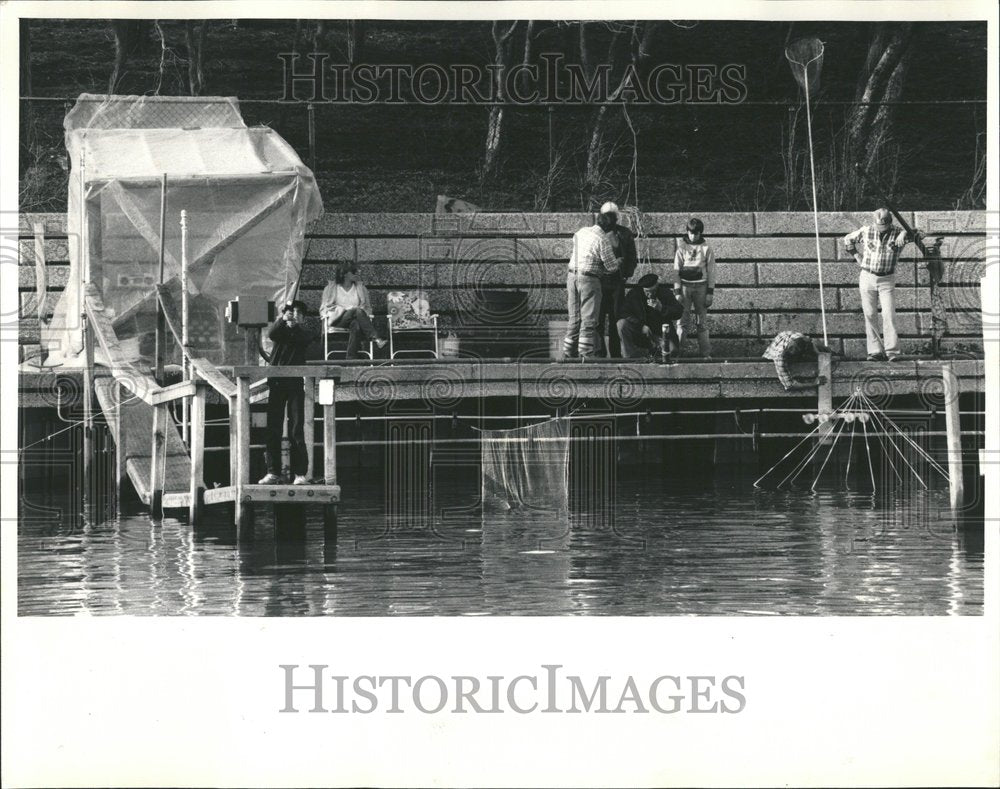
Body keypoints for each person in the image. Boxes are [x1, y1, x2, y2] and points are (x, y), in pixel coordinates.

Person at [843, 207, 912, 361]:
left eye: (884, 225)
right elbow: (847, 239)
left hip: (887, 279)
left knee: (888, 314)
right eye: (878, 224)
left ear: (890, 223)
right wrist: (856, 255)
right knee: (869, 314)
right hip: (867, 276)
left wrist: (905, 232)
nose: (881, 228)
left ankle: (892, 351)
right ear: (874, 222)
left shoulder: (897, 232)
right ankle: (874, 350)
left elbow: (921, 234)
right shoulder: (866, 231)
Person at [259, 300, 315, 485]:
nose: (295, 315)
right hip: (276, 383)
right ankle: (272, 471)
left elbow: (302, 338)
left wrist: (293, 324)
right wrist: (283, 320)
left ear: (304, 317)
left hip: (295, 385)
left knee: (296, 429)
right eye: (293, 312)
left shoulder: (305, 332)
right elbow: (272, 333)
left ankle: (300, 474)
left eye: (299, 313)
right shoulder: (281, 331)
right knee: (273, 428)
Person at [563, 209, 622, 359]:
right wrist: (618, 262)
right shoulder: (602, 240)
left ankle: (568, 354)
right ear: (610, 227)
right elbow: (612, 267)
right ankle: (586, 355)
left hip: (571, 276)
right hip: (589, 280)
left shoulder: (581, 232)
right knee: (589, 320)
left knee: (574, 319)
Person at [595, 201, 639, 358]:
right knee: (598, 319)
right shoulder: (596, 232)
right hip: (599, 282)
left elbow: (632, 257)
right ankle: (599, 352)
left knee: (616, 317)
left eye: (612, 216)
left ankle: (615, 352)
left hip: (616, 283)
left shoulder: (624, 233)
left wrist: (626, 274)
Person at [319, 261, 388, 359]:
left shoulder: (361, 288)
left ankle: (351, 358)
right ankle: (376, 337)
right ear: (345, 274)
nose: (357, 274)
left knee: (355, 324)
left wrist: (366, 316)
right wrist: (333, 312)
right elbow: (323, 308)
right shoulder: (331, 288)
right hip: (338, 320)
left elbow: (368, 307)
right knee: (357, 311)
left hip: (358, 318)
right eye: (354, 272)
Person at [673, 217, 716, 358]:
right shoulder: (681, 248)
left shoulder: (706, 248)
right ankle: (678, 354)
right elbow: (676, 270)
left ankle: (705, 354)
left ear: (700, 233)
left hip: (701, 288)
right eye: (691, 232)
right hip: (685, 287)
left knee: (701, 322)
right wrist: (677, 291)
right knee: (682, 322)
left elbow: (711, 271)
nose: (693, 235)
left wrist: (710, 293)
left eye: (696, 233)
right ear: (687, 232)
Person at [617, 273, 683, 360]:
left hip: (660, 333)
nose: (650, 295)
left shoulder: (665, 293)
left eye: (653, 291)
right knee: (621, 324)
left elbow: (679, 312)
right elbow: (623, 313)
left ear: (657, 286)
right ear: (642, 289)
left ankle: (654, 351)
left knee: (672, 351)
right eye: (647, 292)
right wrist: (641, 326)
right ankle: (629, 357)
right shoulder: (634, 295)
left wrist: (661, 308)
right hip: (641, 332)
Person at [762, 331, 832, 391]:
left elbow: (809, 340)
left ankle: (824, 351)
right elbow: (790, 385)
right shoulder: (780, 357)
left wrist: (817, 352)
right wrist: (814, 383)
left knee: (820, 347)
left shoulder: (799, 337)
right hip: (775, 351)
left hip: (786, 337)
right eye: (793, 350)